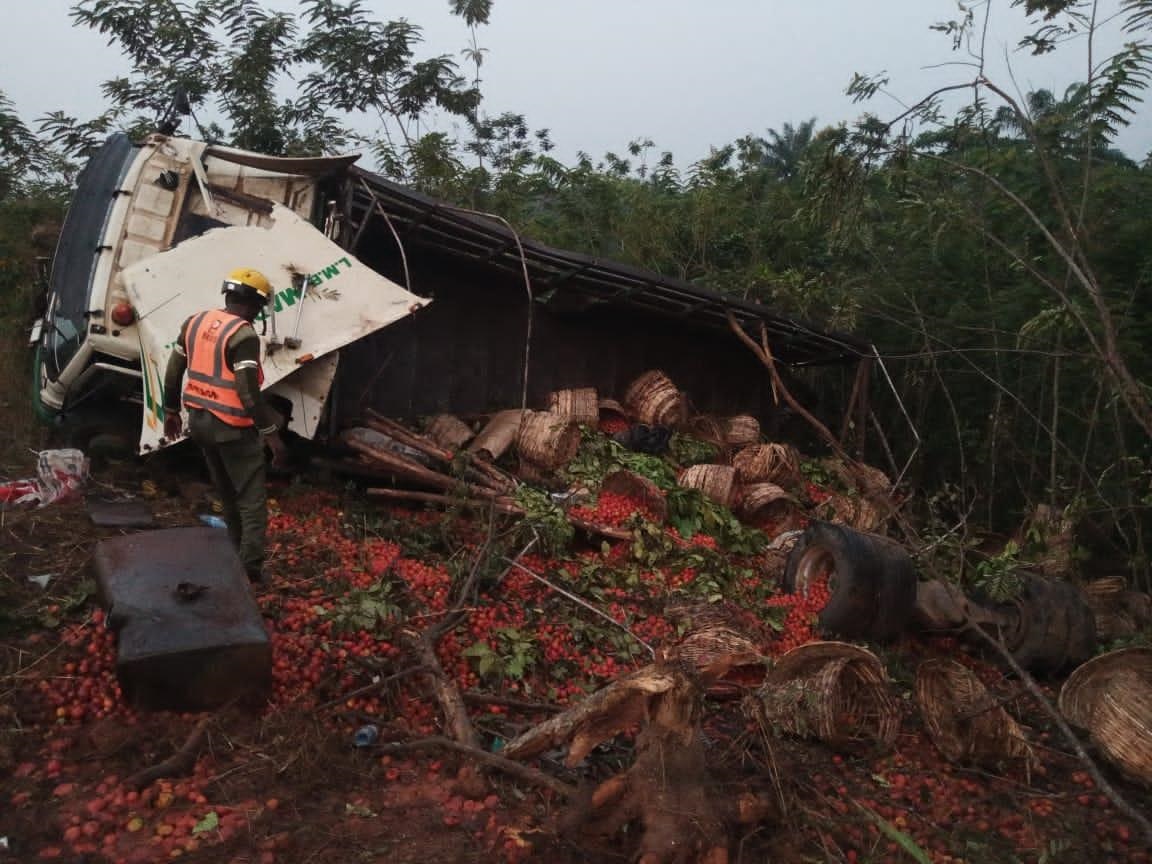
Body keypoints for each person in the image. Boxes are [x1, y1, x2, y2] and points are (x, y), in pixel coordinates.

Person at [162, 267, 286, 583]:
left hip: (200, 423)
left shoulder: (195, 322)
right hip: (232, 428)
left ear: (228, 295)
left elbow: (174, 369)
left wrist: (171, 411)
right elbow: (247, 391)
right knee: (252, 503)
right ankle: (250, 572)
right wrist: (270, 434)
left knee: (227, 495)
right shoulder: (243, 335)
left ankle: (235, 555)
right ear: (256, 305)